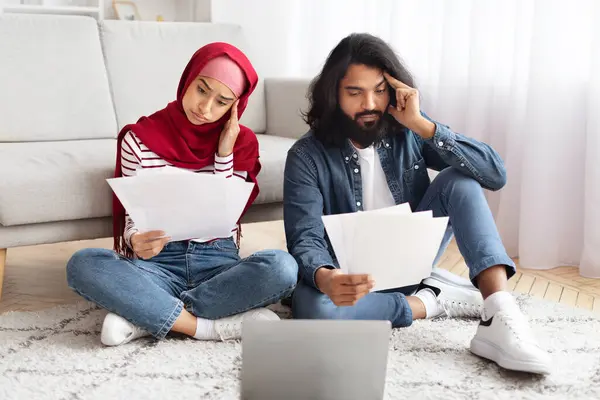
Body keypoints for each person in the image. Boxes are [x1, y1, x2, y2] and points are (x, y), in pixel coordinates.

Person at [284, 33, 550, 374]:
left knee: (460, 180)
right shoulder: (306, 156)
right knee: (313, 308)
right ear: (333, 94)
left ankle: (499, 312)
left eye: (379, 90)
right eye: (355, 92)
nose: (370, 103)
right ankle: (430, 300)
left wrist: (423, 125)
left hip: (412, 257)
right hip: (352, 278)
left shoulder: (406, 130)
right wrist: (325, 277)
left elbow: (494, 174)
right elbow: (304, 237)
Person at [67, 42, 298, 346]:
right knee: (83, 264)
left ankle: (146, 316)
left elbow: (226, 216)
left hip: (218, 265)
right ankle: (206, 327)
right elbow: (134, 212)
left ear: (235, 107)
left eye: (221, 102)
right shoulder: (139, 138)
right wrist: (136, 240)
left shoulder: (241, 144)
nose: (205, 108)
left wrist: (224, 154)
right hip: (156, 265)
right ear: (188, 79)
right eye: (202, 90)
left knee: (282, 268)